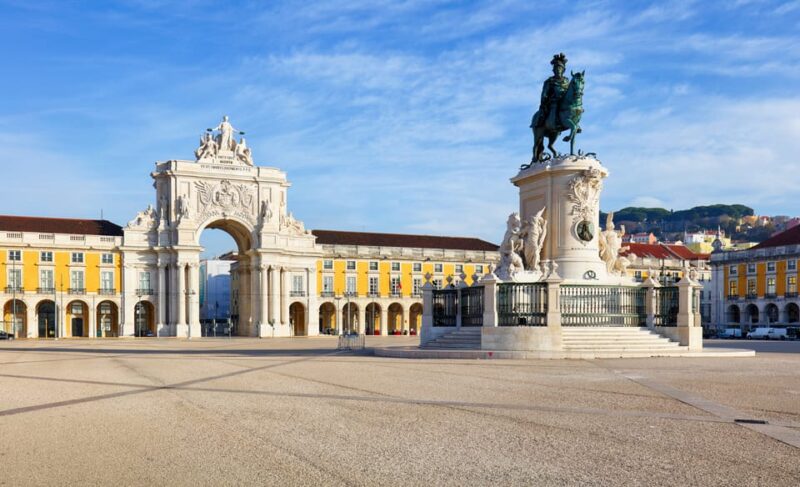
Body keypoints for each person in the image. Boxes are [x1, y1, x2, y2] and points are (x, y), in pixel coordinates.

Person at [534, 53, 570, 131]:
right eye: (556, 69)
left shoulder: (567, 81)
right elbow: (544, 94)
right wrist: (546, 100)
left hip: (565, 100)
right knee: (553, 108)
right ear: (554, 70)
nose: (558, 70)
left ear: (563, 70)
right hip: (553, 101)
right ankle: (548, 123)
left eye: (560, 68)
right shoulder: (549, 81)